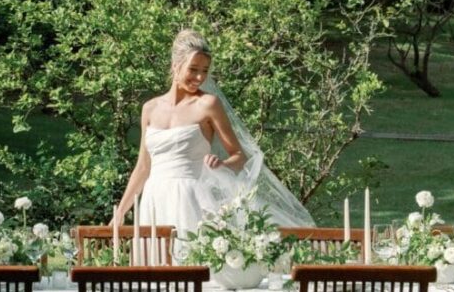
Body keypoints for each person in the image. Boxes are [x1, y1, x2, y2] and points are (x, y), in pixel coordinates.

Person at [111, 29, 313, 246]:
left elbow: (239, 156)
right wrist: (121, 212)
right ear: (175, 66)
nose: (199, 77)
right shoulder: (149, 109)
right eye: (193, 69)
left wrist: (221, 163)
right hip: (153, 198)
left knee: (191, 263)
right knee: (154, 266)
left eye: (204, 71)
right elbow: (143, 167)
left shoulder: (208, 104)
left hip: (189, 197)